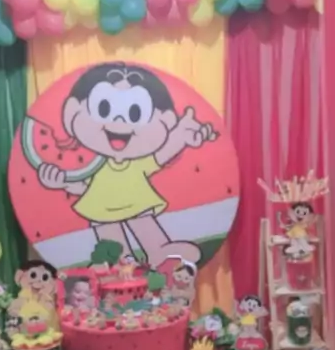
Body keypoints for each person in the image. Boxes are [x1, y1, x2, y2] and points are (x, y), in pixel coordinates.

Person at [37, 63, 218, 269]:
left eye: (135, 113)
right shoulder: (93, 164)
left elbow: (162, 154)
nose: (119, 121)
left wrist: (181, 136)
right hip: (101, 210)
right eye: (103, 109)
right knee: (116, 252)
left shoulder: (137, 162)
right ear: (73, 111)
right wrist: (60, 183)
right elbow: (83, 186)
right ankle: (124, 264)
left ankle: (159, 252)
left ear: (166, 120)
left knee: (150, 236)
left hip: (136, 204)